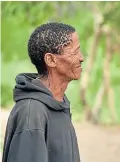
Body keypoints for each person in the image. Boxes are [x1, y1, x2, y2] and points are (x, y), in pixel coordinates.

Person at [2, 22, 84, 162]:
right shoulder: (31, 113)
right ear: (51, 60)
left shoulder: (58, 103)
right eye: (75, 52)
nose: (81, 58)